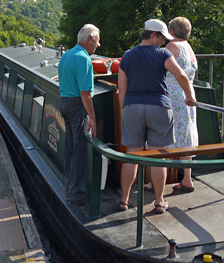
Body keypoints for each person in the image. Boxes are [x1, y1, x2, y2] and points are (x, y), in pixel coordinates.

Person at [118, 19, 197, 214]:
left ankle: (124, 200)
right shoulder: (163, 54)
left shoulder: (127, 56)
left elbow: (122, 88)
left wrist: (124, 109)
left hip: (133, 107)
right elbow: (181, 76)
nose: (163, 41)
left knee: (132, 156)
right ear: (153, 35)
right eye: (162, 37)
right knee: (157, 157)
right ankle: (160, 202)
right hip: (159, 108)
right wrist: (189, 96)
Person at [143, 17, 198, 193]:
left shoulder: (172, 47)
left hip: (171, 98)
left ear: (172, 32)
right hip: (187, 98)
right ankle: (187, 179)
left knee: (162, 138)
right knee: (185, 137)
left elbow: (157, 67)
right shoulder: (190, 49)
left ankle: (155, 182)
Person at [58, 24, 101, 206]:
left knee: (70, 149)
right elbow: (86, 93)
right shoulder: (84, 59)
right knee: (80, 151)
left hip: (64, 103)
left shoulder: (67, 55)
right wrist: (92, 117)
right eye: (97, 40)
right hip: (77, 107)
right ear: (90, 39)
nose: (98, 45)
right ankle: (77, 195)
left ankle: (68, 189)